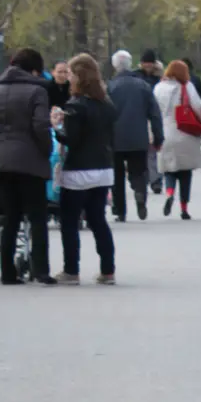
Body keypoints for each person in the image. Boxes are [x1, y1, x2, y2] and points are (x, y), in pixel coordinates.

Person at [0, 45, 55, 285]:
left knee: (10, 217)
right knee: (38, 216)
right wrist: (45, 150)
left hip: (3, 162)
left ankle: (7, 273)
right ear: (34, 70)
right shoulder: (37, 92)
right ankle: (41, 270)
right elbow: (41, 126)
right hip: (31, 162)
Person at [53, 52, 119, 284]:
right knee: (98, 220)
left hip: (78, 170)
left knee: (70, 221)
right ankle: (108, 270)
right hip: (103, 168)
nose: (68, 78)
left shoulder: (75, 106)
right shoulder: (107, 105)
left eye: (71, 73)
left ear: (79, 76)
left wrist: (57, 127)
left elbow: (71, 140)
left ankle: (71, 270)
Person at [108, 50, 163, 221]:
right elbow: (155, 114)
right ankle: (140, 193)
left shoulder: (110, 87)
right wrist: (158, 136)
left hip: (115, 138)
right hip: (138, 136)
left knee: (117, 175)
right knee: (139, 171)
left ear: (115, 66)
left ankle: (120, 210)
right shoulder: (143, 86)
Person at [152, 59, 201, 217]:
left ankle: (169, 193)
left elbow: (153, 111)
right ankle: (184, 208)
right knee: (185, 173)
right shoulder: (187, 86)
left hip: (165, 131)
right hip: (185, 131)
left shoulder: (159, 87)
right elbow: (199, 107)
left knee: (169, 169)